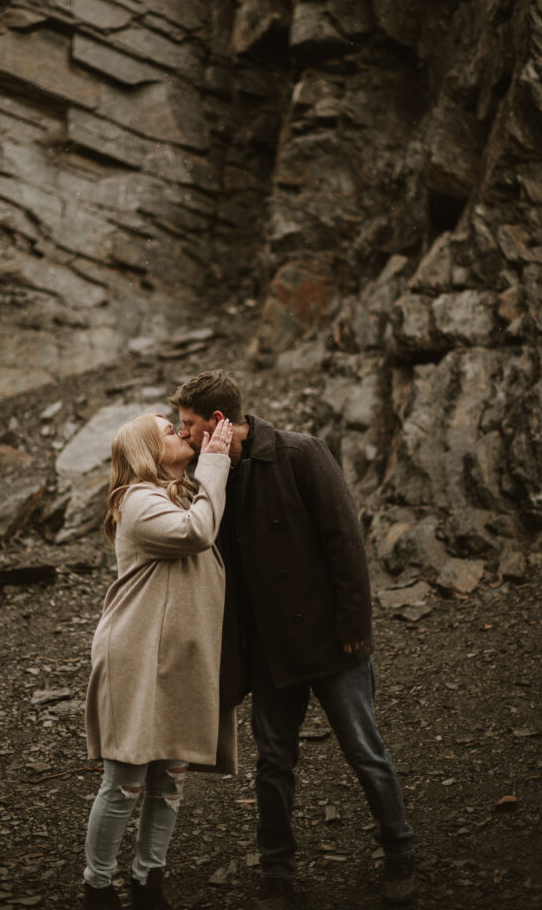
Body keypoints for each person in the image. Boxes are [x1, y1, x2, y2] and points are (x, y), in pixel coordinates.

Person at [169, 370, 418, 909]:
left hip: (332, 642)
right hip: (267, 652)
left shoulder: (300, 454)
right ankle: (278, 872)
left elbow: (344, 540)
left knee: (364, 750)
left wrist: (355, 625)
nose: (180, 434)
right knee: (273, 764)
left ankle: (399, 848)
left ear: (218, 421)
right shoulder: (211, 476)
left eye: (186, 424)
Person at [82, 413, 236, 910]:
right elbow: (197, 533)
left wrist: (213, 462)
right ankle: (98, 887)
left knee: (169, 778)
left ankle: (149, 881)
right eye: (169, 430)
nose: (180, 432)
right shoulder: (137, 501)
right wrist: (215, 460)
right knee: (124, 780)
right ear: (147, 451)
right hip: (135, 655)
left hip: (173, 659)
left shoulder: (180, 493)